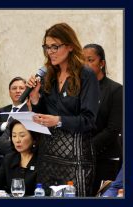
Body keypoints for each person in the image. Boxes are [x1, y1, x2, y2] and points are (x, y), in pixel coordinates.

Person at [27, 23, 99, 196]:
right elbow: (43, 112)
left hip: (75, 159)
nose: (49, 51)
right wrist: (35, 98)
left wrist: (58, 120)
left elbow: (89, 120)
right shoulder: (48, 75)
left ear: (70, 46)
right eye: (46, 47)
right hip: (48, 157)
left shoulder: (86, 75)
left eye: (55, 46)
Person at [83, 44, 123, 195]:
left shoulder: (115, 90)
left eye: (90, 60)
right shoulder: (79, 89)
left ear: (102, 63)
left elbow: (113, 129)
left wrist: (86, 147)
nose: (85, 65)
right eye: (82, 60)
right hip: (81, 159)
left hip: (106, 158)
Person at [0, 119, 40, 195]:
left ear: (34, 138)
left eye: (22, 135)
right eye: (14, 136)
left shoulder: (41, 161)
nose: (17, 140)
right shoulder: (9, 159)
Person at [0, 77, 29, 155]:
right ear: (9, 92)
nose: (18, 91)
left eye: (21, 88)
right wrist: (4, 125)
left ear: (27, 92)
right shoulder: (1, 111)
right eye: (14, 88)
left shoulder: (30, 111)